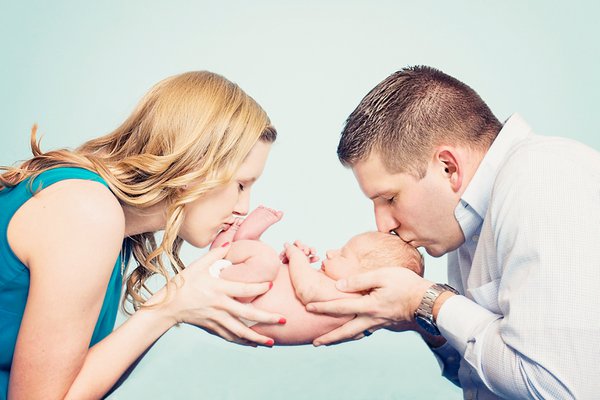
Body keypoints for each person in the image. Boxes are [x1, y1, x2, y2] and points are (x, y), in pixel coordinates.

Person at [306, 66, 600, 398]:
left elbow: (562, 387)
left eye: (390, 198)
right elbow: (489, 382)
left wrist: (428, 300)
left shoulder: (545, 182)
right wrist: (429, 324)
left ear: (448, 168)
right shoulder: (467, 220)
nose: (383, 224)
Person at [0, 71, 288, 399]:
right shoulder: (87, 211)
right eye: (240, 185)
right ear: (194, 164)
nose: (243, 207)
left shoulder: (107, 220)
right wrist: (167, 308)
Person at [208, 205, 423, 345]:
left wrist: (296, 256)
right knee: (267, 262)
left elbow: (307, 291)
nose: (331, 252)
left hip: (246, 306)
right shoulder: (348, 298)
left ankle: (242, 240)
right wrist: (293, 263)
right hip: (246, 297)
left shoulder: (353, 301)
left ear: (367, 280)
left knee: (266, 260)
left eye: (343, 255)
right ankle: (237, 246)